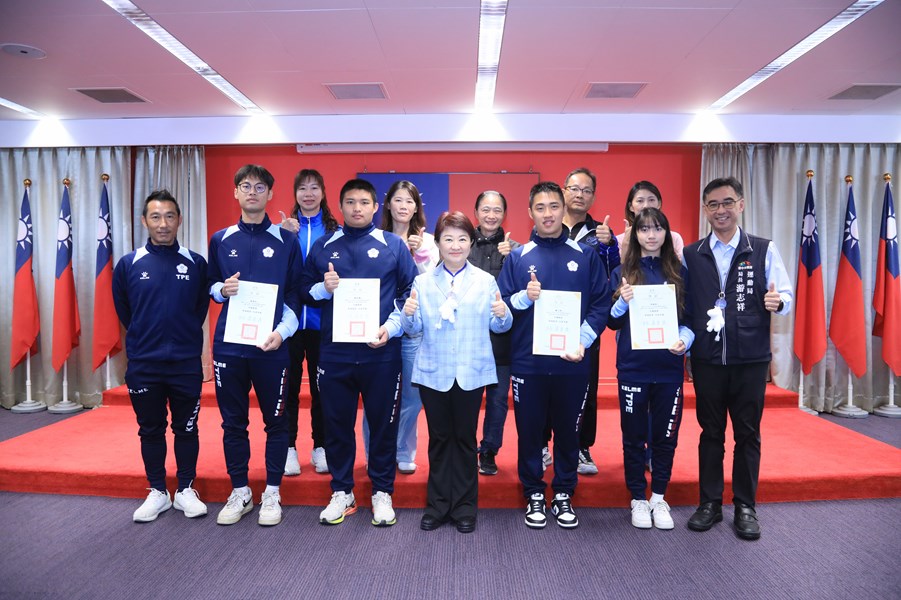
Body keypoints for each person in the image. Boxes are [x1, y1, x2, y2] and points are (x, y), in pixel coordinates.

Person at [302, 178, 417, 527]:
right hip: (334, 354)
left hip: (380, 353)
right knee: (337, 425)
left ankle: (382, 491)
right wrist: (323, 288)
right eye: (350, 202)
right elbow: (303, 291)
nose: (357, 208)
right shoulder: (323, 245)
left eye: (364, 202)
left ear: (375, 207)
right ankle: (342, 491)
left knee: (383, 425)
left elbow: (410, 292)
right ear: (340, 206)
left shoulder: (392, 245)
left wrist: (391, 328)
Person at [683, 176, 793, 541]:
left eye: (727, 202)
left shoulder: (762, 249)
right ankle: (710, 503)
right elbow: (683, 302)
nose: (721, 210)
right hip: (707, 359)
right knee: (710, 433)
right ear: (705, 209)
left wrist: (779, 301)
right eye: (713, 204)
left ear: (741, 205)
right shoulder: (691, 254)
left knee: (747, 434)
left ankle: (746, 506)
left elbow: (785, 293)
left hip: (750, 359)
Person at [498, 181, 611, 530]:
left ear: (563, 209)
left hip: (572, 362)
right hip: (528, 364)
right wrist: (522, 298)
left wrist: (582, 340)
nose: (547, 214)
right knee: (529, 432)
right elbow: (501, 308)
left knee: (568, 432)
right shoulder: (518, 258)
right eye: (540, 207)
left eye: (553, 206)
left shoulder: (586, 255)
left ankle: (563, 491)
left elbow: (600, 304)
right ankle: (534, 491)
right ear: (530, 213)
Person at [401, 211, 512, 533]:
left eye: (462, 239)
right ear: (437, 243)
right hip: (434, 371)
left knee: (464, 439)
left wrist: (503, 313)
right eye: (448, 239)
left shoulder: (485, 281)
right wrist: (408, 314)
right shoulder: (423, 281)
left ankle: (464, 507)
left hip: (470, 371)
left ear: (471, 243)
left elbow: (500, 326)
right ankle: (437, 506)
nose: (455, 245)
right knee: (439, 439)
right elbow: (413, 329)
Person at [208, 164, 303, 527]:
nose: (252, 192)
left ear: (270, 194)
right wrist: (222, 289)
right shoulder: (221, 239)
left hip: (271, 346)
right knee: (233, 423)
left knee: (276, 421)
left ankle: (272, 492)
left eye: (259, 187)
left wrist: (283, 332)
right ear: (236, 192)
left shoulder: (286, 241)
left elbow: (294, 294)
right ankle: (240, 491)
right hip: (229, 347)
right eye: (245, 186)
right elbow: (210, 285)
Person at [113, 190, 209, 523]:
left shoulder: (196, 263)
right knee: (150, 429)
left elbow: (198, 309)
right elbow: (126, 312)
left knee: (187, 428)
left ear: (179, 220)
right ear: (144, 221)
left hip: (185, 364)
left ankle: (185, 489)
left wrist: (180, 338)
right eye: (156, 217)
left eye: (169, 216)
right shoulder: (129, 264)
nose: (163, 224)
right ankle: (157, 491)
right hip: (144, 364)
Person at [608, 207, 693, 530]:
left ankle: (658, 496)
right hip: (634, 368)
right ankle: (637, 499)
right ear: (636, 235)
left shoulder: (680, 273)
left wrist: (685, 340)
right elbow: (611, 321)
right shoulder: (622, 272)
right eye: (644, 229)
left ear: (666, 233)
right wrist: (623, 300)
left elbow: (690, 319)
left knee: (665, 436)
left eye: (657, 228)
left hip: (669, 369)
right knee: (633, 438)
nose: (651, 235)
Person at [362, 180, 438, 475]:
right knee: (376, 397)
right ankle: (375, 451)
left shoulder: (429, 242)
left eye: (410, 201)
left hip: (413, 331)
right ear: (387, 204)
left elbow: (432, 285)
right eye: (398, 199)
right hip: (379, 328)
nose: (404, 206)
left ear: (417, 207)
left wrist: (418, 256)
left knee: (412, 397)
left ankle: (402, 449)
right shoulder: (375, 239)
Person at [558, 167, 620, 476]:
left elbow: (615, 273)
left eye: (586, 190)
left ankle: (582, 446)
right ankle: (544, 444)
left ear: (593, 197)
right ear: (564, 191)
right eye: (574, 188)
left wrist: (610, 246)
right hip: (552, 322)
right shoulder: (548, 226)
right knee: (548, 386)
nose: (579, 195)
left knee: (587, 387)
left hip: (587, 324)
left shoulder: (601, 234)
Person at [278, 169, 340, 476]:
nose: (308, 194)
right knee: (288, 387)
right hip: (289, 322)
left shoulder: (335, 232)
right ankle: (289, 447)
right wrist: (282, 236)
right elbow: (277, 272)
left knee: (322, 389)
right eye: (302, 188)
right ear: (295, 193)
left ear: (323, 193)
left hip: (322, 323)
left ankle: (321, 446)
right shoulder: (283, 230)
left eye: (314, 188)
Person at [470, 191, 519, 476]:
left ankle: (489, 450)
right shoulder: (462, 245)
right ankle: (465, 448)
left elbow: (524, 293)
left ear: (504, 214)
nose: (491, 215)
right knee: (468, 399)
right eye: (486, 209)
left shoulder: (515, 250)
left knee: (498, 400)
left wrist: (512, 261)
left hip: (503, 340)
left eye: (497, 210)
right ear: (476, 212)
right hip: (469, 339)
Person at [617, 181, 685, 260]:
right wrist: (626, 244)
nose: (646, 206)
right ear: (631, 206)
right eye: (640, 201)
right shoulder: (620, 241)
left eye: (651, 200)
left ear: (659, 204)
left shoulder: (674, 238)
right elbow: (622, 267)